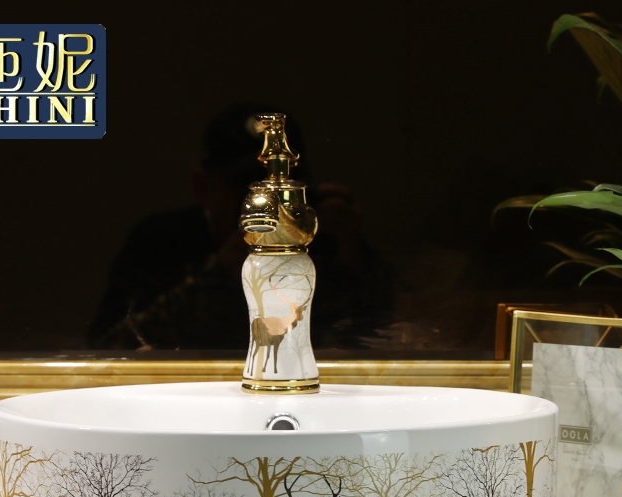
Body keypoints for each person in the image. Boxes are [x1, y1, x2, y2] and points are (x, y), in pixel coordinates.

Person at [87, 102, 396, 351]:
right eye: (247, 185)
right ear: (204, 187)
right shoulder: (162, 240)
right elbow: (109, 346)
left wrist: (352, 254)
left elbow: (393, 333)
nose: (266, 201)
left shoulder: (317, 239)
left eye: (282, 186)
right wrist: (219, 273)